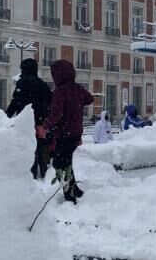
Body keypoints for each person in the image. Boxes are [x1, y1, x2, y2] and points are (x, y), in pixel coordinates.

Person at [44, 60, 93, 204]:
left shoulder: (60, 91)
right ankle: (74, 189)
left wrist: (47, 124)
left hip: (64, 133)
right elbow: (90, 99)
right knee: (67, 162)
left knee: (59, 164)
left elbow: (56, 114)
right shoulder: (77, 88)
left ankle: (69, 193)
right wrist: (76, 103)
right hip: (76, 132)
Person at [6, 58, 54, 180]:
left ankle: (30, 174)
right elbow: (50, 101)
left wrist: (6, 116)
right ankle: (44, 173)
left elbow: (16, 101)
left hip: (26, 123)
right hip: (41, 123)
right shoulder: (42, 84)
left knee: (28, 149)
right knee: (41, 148)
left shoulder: (22, 82)